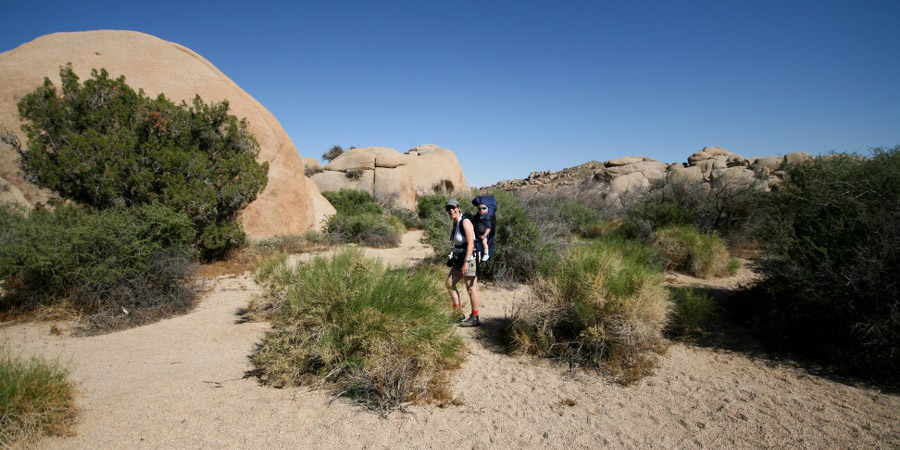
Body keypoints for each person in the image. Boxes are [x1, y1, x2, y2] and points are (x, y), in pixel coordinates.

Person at [444, 198, 481, 327]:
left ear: (458, 207)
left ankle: (475, 317)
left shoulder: (464, 221)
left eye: (453, 208)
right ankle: (458, 313)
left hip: (468, 259)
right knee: (449, 283)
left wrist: (466, 262)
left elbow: (471, 243)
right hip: (460, 258)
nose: (450, 210)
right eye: (448, 209)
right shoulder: (456, 222)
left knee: (471, 288)